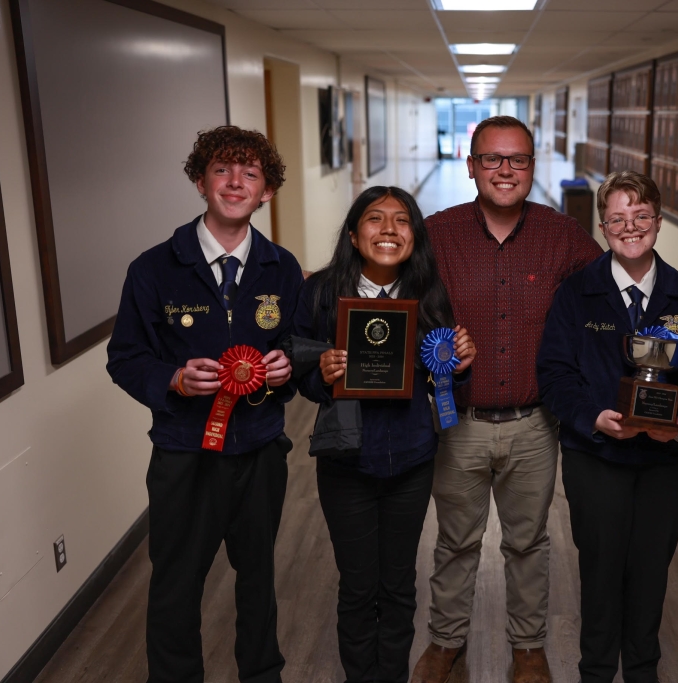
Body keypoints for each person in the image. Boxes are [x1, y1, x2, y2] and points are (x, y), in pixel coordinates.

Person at [107, 125, 303, 683]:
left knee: (258, 581)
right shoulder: (153, 269)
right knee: (175, 585)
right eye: (222, 169)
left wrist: (286, 367)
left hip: (260, 451)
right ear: (200, 181)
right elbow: (124, 357)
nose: (235, 182)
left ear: (267, 191)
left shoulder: (282, 268)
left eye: (250, 173)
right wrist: (171, 378)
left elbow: (294, 345)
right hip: (183, 455)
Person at [411, 115, 603, 683]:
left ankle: (528, 648)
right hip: (458, 420)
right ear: (470, 167)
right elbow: (397, 302)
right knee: (455, 541)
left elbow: (609, 294)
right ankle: (446, 642)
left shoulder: (561, 234)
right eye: (492, 159)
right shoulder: (437, 233)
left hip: (533, 424)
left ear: (531, 167)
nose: (505, 170)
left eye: (517, 160)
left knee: (528, 543)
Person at [537, 171, 678, 683]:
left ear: (658, 223)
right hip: (596, 457)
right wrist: (591, 417)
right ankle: (595, 671)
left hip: (665, 464)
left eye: (640, 216)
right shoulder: (577, 293)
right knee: (600, 572)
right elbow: (554, 373)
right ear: (602, 227)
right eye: (617, 218)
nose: (630, 226)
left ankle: (643, 671)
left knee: (650, 573)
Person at [292, 186, 476, 683]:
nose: (389, 230)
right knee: (357, 587)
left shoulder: (432, 294)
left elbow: (449, 389)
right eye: (375, 219)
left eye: (401, 220)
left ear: (415, 236)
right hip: (346, 461)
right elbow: (298, 373)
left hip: (412, 460)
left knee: (398, 586)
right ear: (354, 234)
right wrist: (322, 372)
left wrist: (459, 367)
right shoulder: (321, 293)